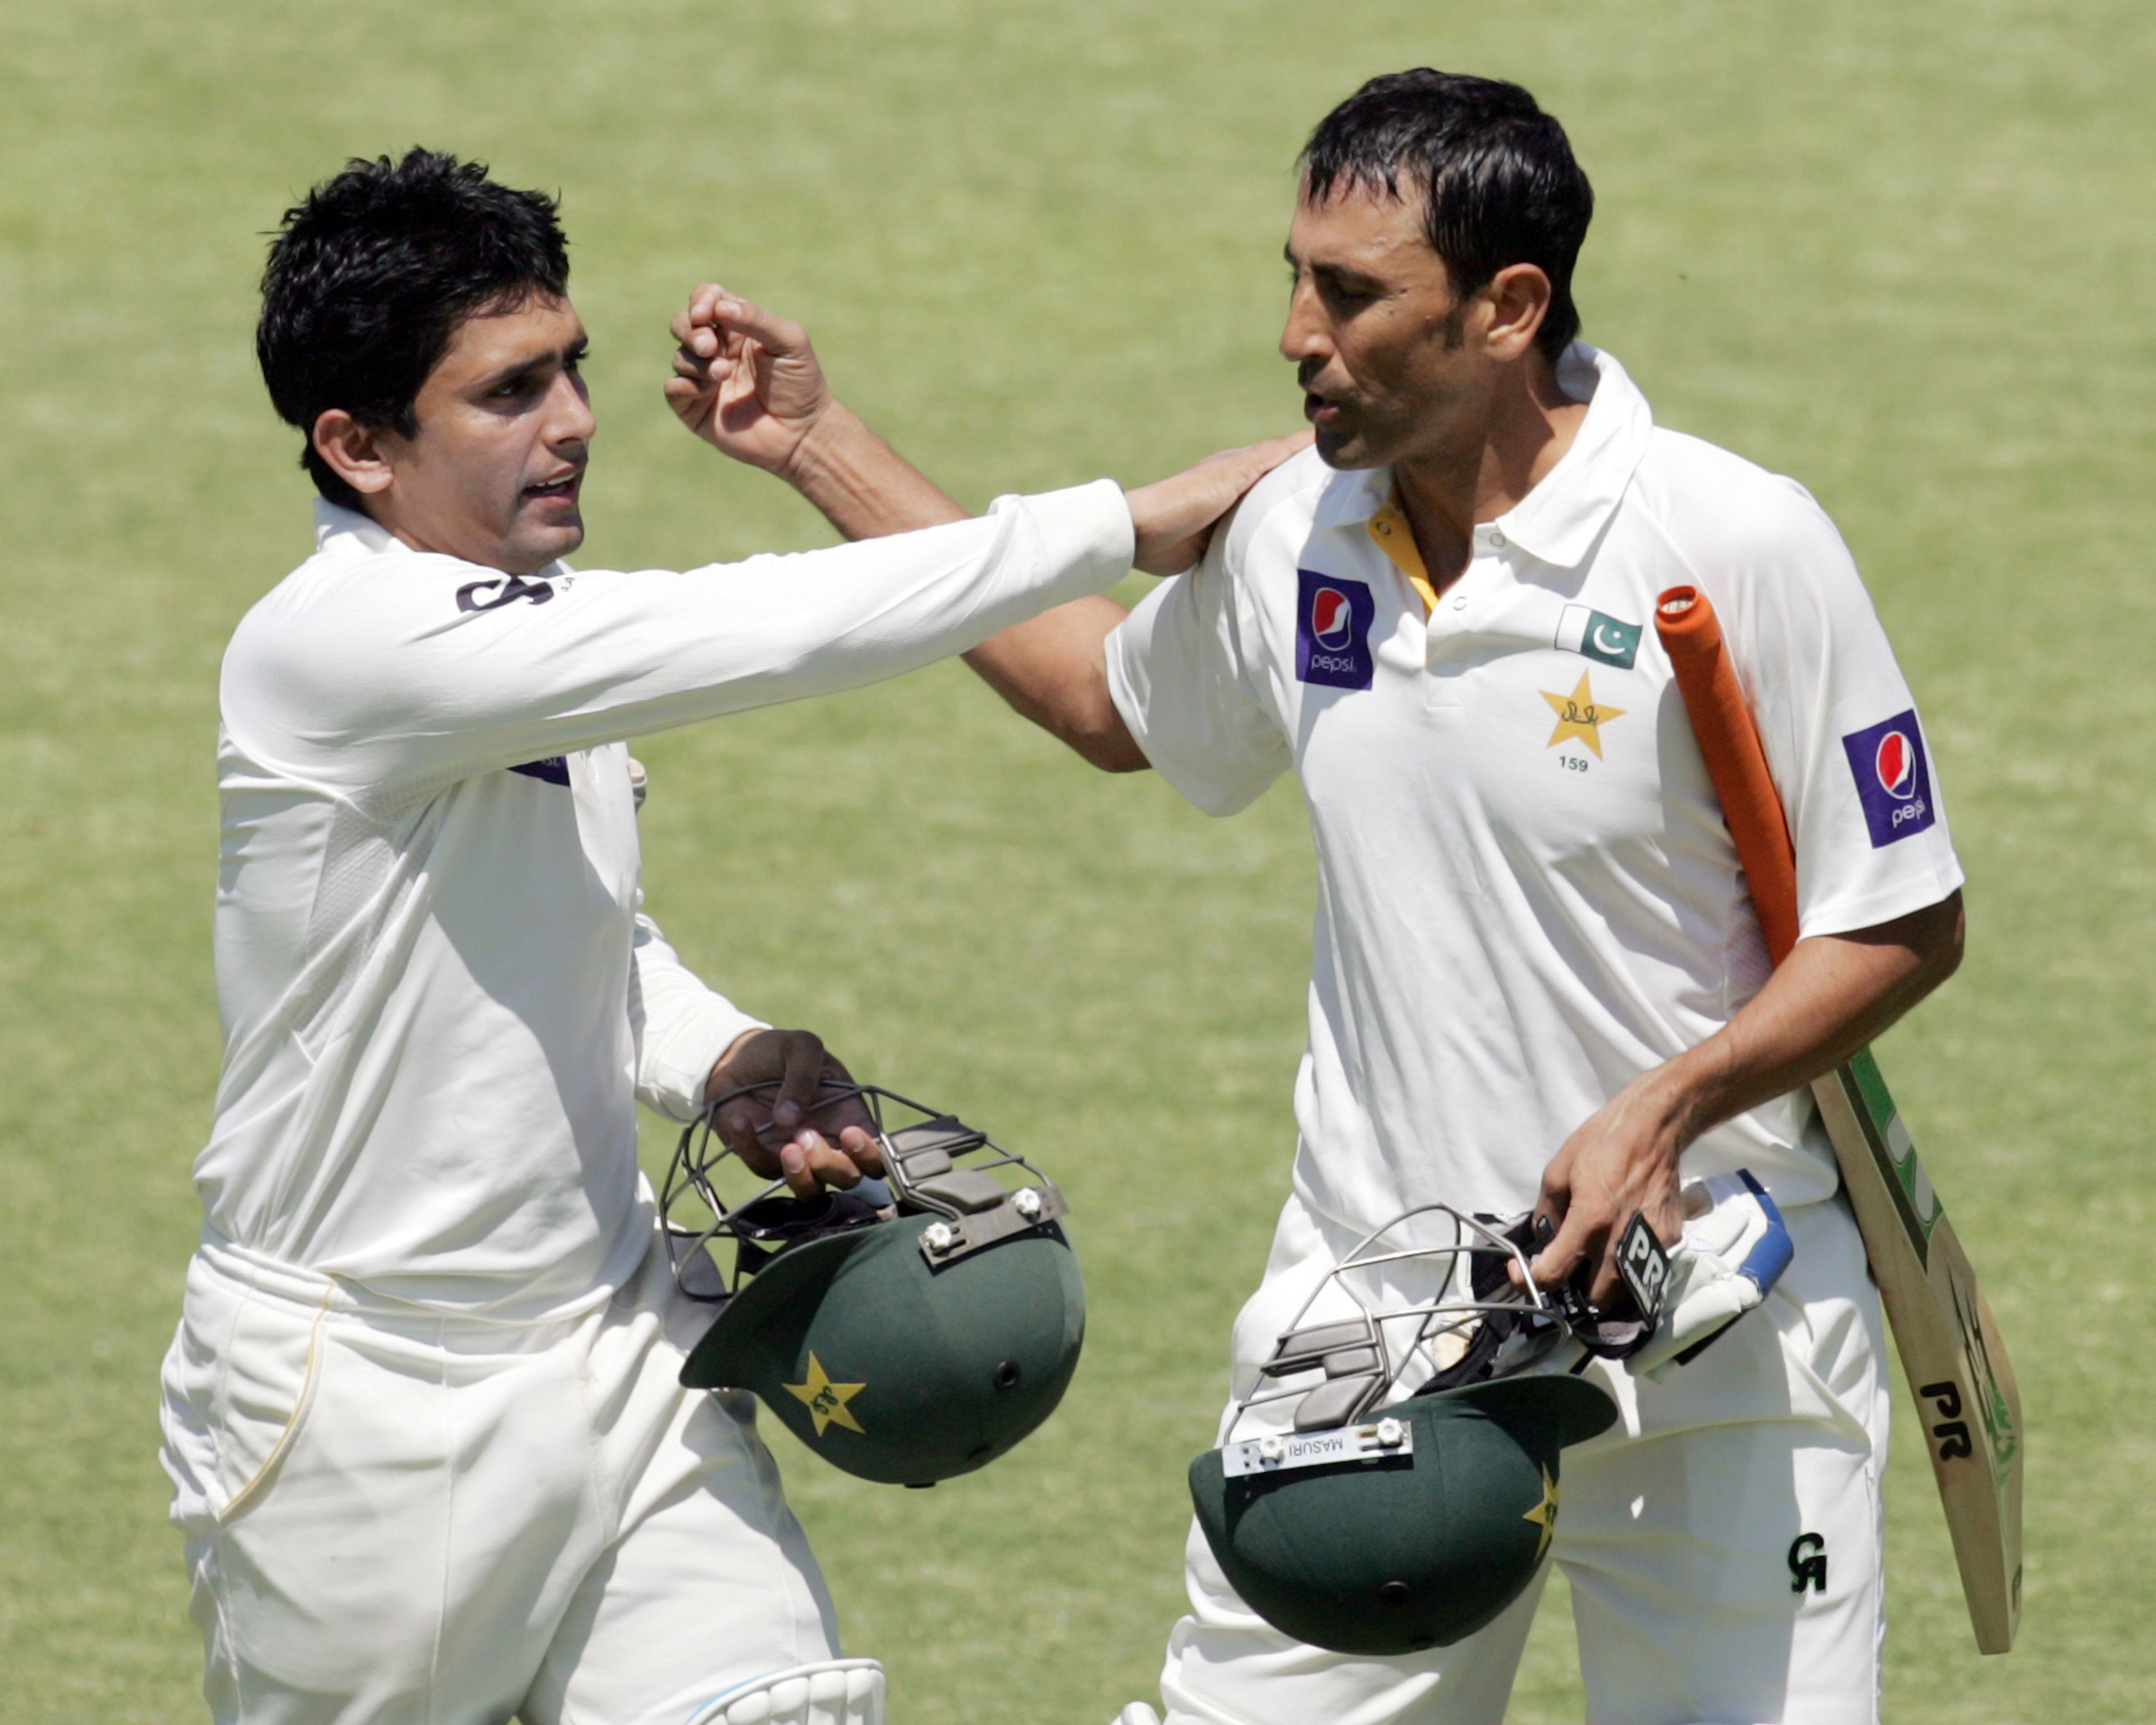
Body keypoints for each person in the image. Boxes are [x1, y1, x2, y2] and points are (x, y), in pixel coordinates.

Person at [733, 70, 1969, 1725]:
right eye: (1294, 277)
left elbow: (1898, 919)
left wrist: (1670, 1104)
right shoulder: (1297, 535)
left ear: (1506, 308)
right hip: (1373, 1336)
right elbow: (1106, 700)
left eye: (1352, 293)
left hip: (1713, 1346)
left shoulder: (1730, 542)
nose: (1295, 331)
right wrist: (821, 446)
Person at [156, 147, 1295, 1725]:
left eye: (570, 370)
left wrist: (726, 1059)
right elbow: (767, 631)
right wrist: (1122, 518)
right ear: (355, 445)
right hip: (366, 1407)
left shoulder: (532, 639)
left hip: (623, 1339)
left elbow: (592, 948)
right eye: (507, 393)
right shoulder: (335, 649)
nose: (573, 422)